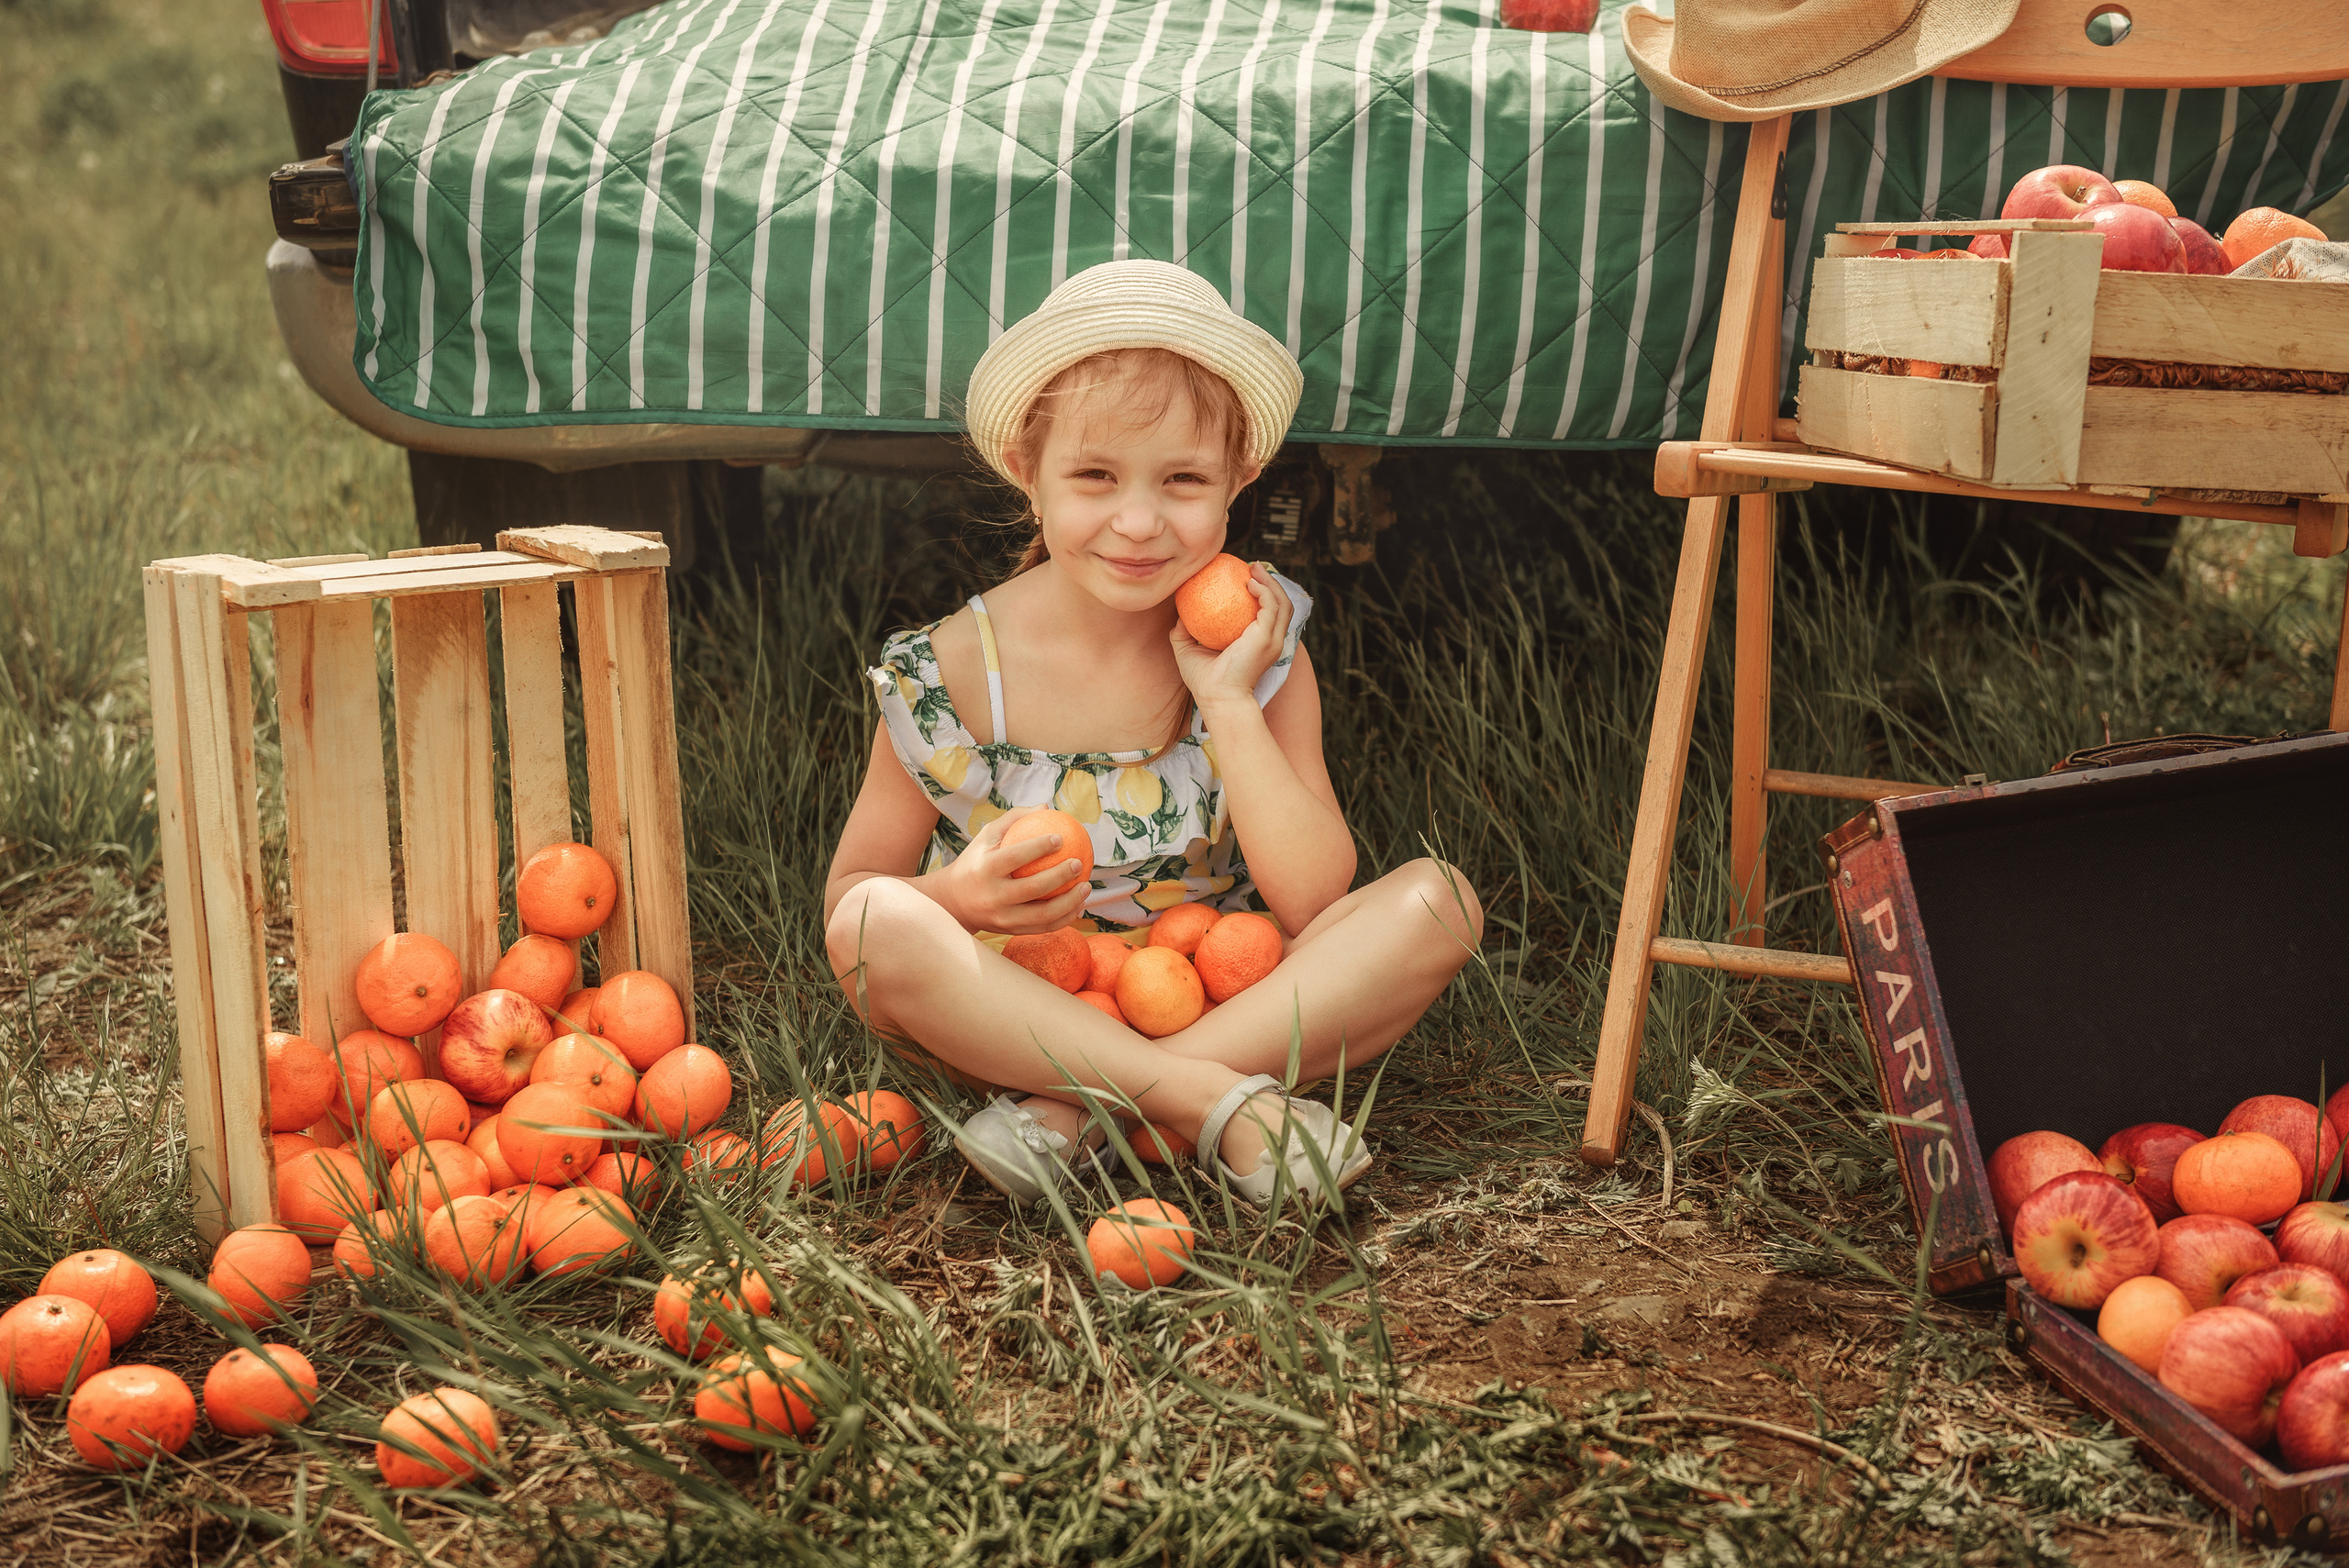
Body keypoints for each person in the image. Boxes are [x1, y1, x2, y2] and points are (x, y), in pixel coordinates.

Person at [822, 260, 1483, 1209]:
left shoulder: (1259, 641)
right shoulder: (951, 667)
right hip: (1017, 1011)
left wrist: (1226, 699)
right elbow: (850, 897)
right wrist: (955, 893)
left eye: (1182, 479)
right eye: (1094, 476)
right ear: (1028, 472)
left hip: (1224, 991)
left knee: (1440, 903)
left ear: (1239, 479)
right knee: (874, 925)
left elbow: (1310, 894)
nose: (1138, 522)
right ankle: (1210, 1100)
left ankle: (1079, 1116)